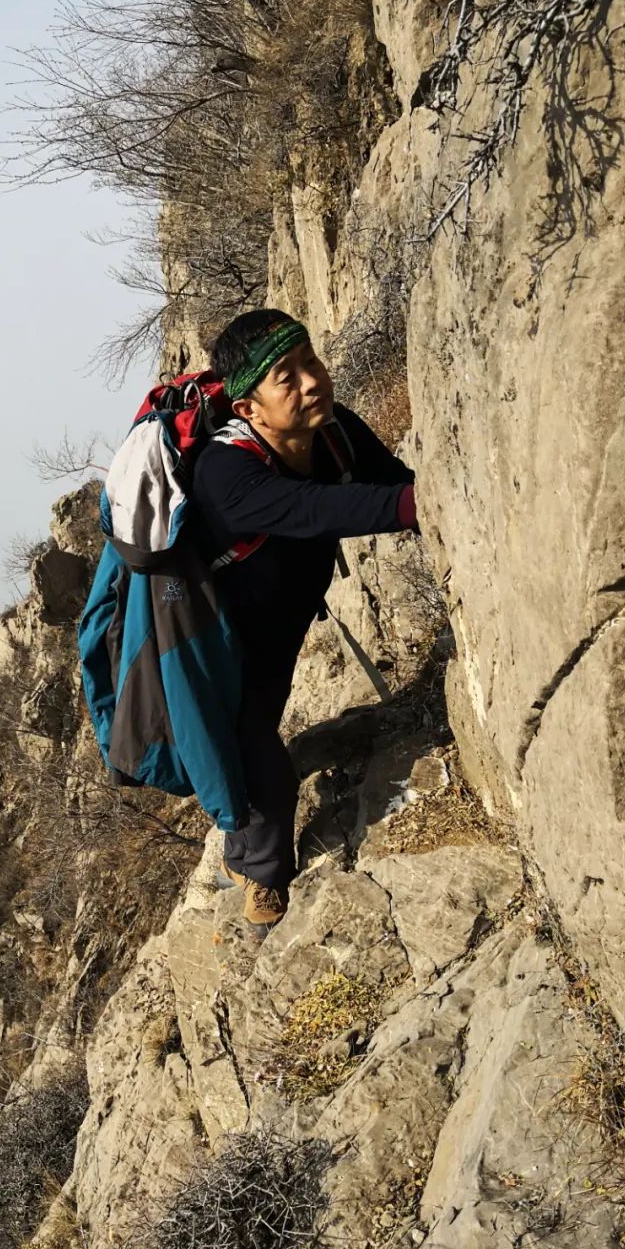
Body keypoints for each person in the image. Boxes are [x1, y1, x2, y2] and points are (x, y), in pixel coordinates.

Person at [189, 309, 419, 935]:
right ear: (248, 409)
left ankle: (241, 849)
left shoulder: (334, 431)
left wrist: (433, 497)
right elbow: (311, 508)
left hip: (285, 610)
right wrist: (414, 504)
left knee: (252, 731)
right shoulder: (224, 472)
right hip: (220, 632)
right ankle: (263, 872)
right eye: (285, 379)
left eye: (310, 363)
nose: (312, 383)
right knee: (253, 738)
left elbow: (391, 482)